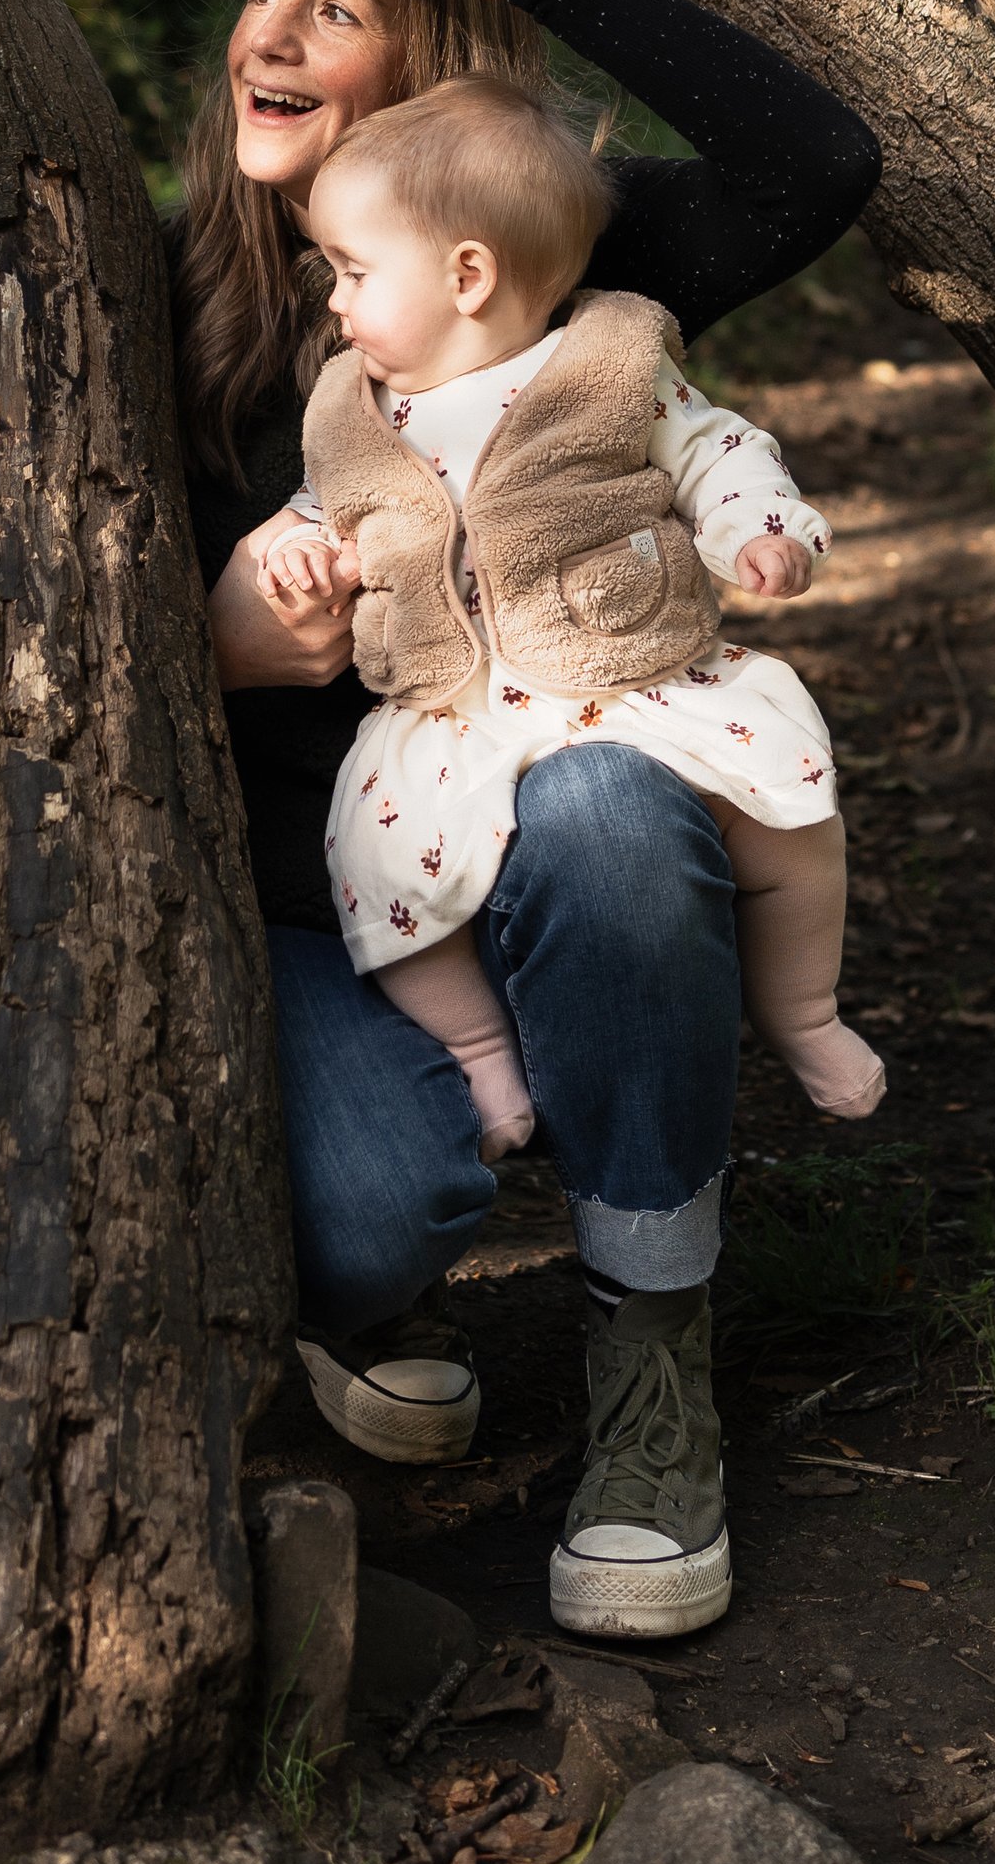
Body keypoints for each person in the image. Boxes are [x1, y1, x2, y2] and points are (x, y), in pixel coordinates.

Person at [175, 0, 880, 1641]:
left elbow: (817, 160)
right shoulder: (162, 288)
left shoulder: (563, 260)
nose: (265, 33)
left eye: (334, 3)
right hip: (320, 884)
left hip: (553, 805)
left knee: (616, 816)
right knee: (371, 1217)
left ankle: (652, 1362)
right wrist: (220, 646)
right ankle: (386, 1286)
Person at [255, 76, 880, 1165]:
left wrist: (757, 536)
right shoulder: (352, 412)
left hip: (635, 679)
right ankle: (485, 1060)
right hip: (449, 712)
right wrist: (295, 555)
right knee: (382, 887)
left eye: (354, 274)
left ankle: (804, 1011)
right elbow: (315, 511)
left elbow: (716, 451)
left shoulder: (604, 365)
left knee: (792, 825)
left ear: (467, 275)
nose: (335, 305)